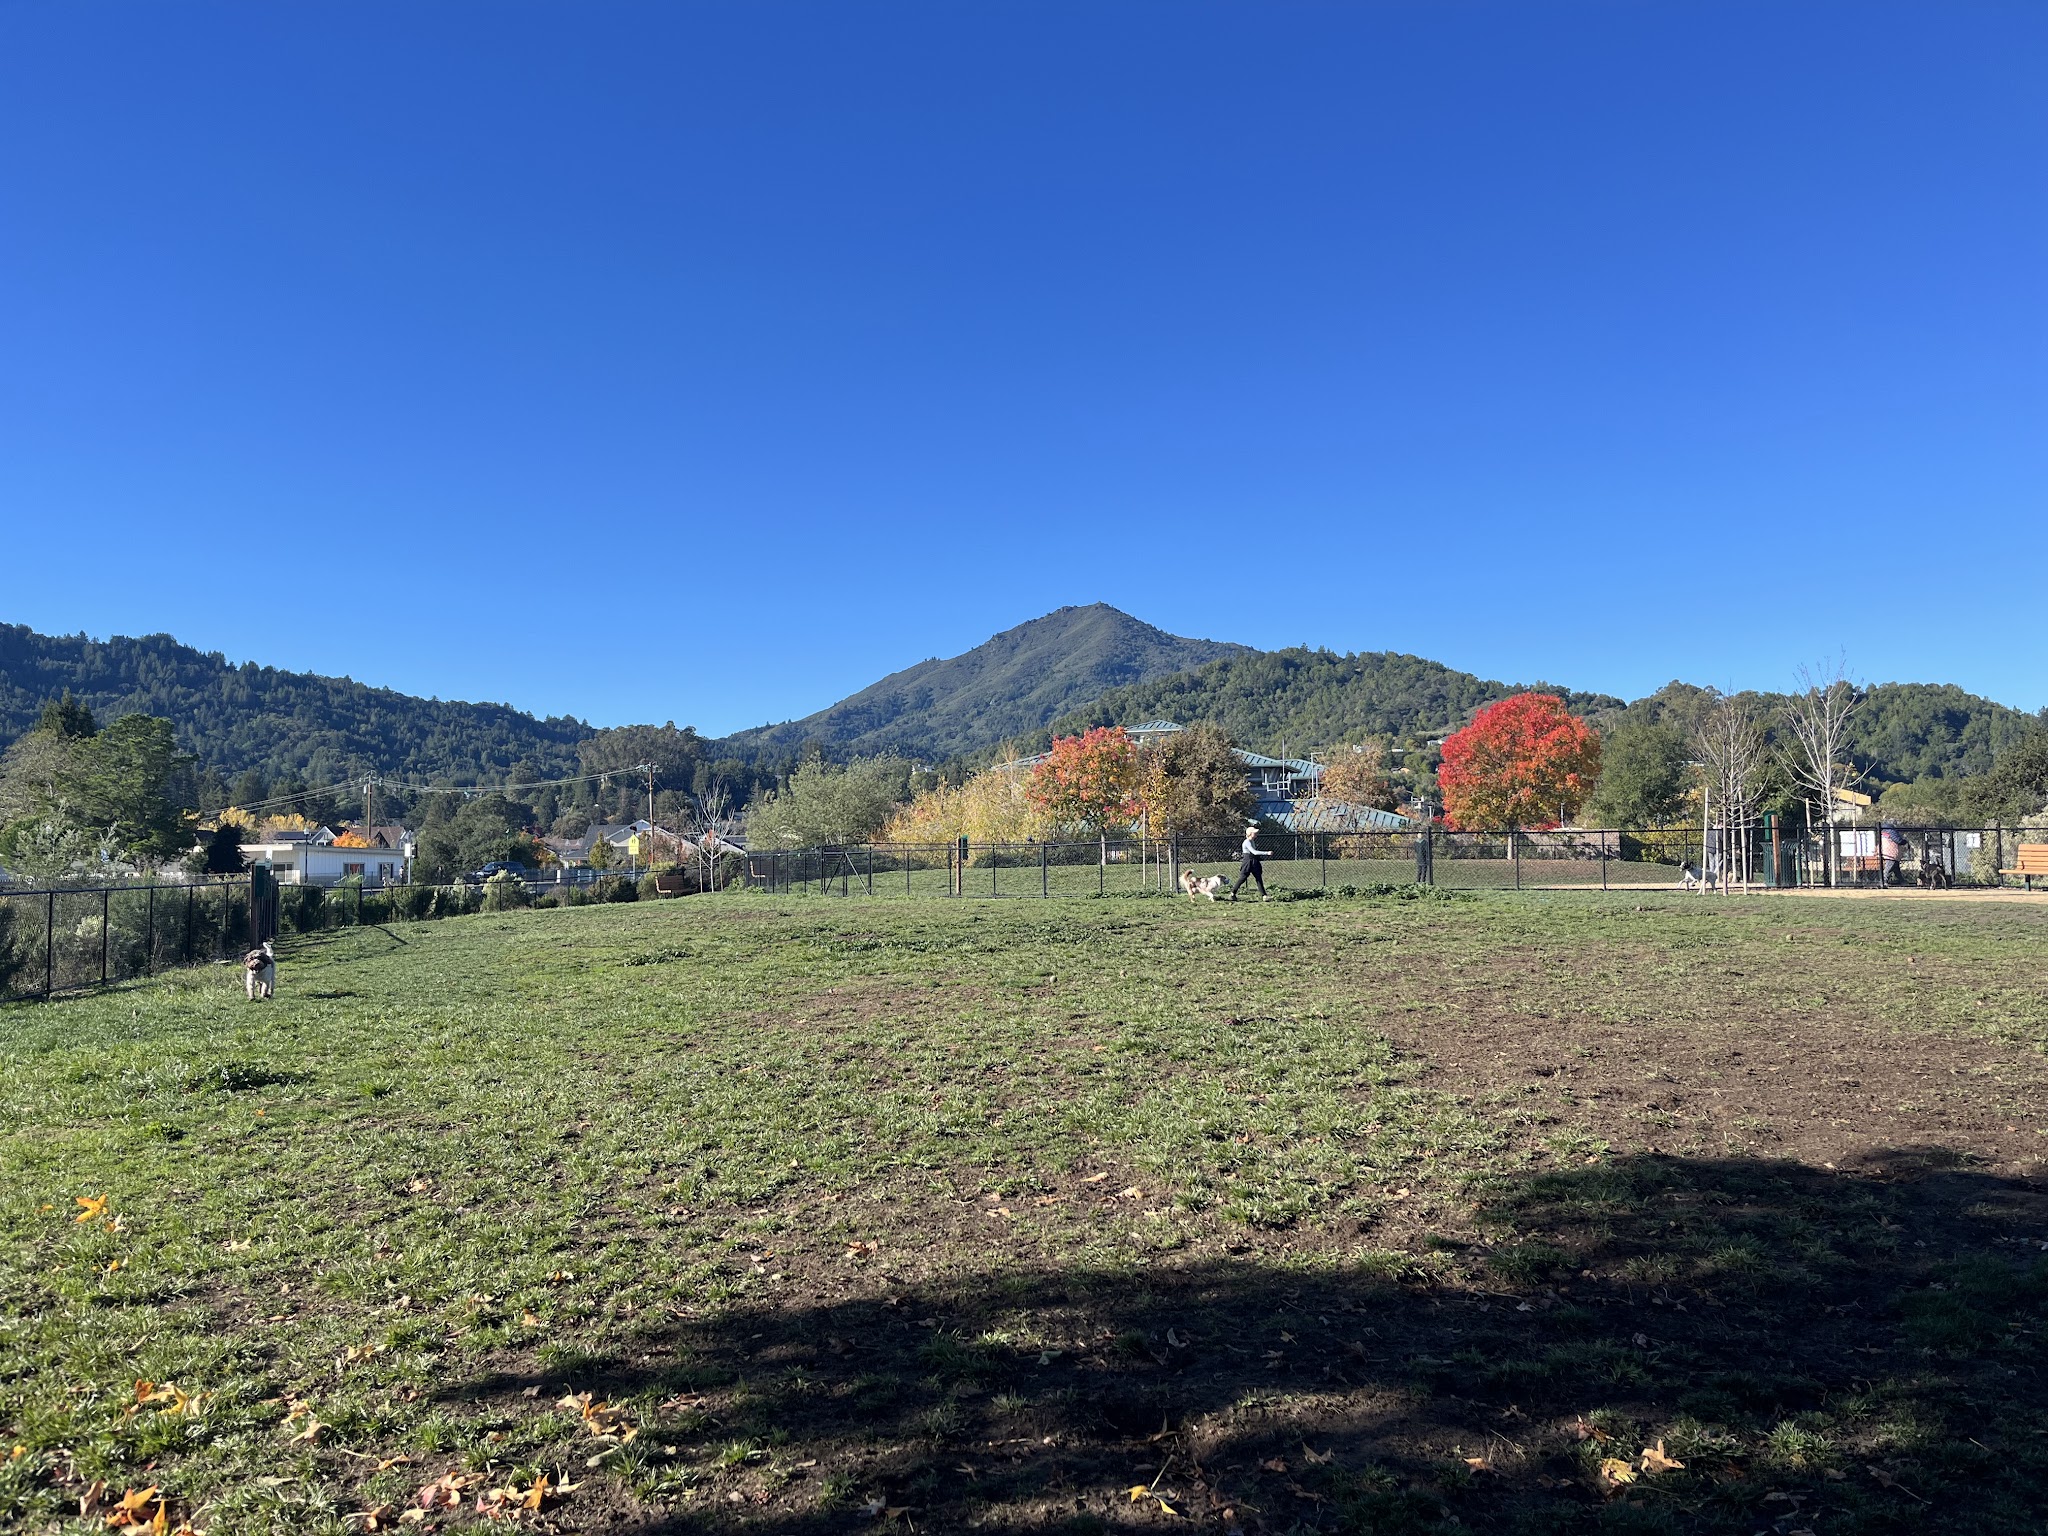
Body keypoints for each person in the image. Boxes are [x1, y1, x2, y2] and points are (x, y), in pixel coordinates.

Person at [1229, 824, 1272, 902]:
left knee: (1258, 878)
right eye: (1254, 832)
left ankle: (1264, 896)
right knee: (1242, 878)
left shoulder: (1252, 841)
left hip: (1254, 861)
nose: (1256, 834)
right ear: (1250, 833)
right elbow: (1254, 852)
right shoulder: (1247, 842)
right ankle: (1233, 893)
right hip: (1248, 862)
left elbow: (1254, 854)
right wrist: (1266, 853)